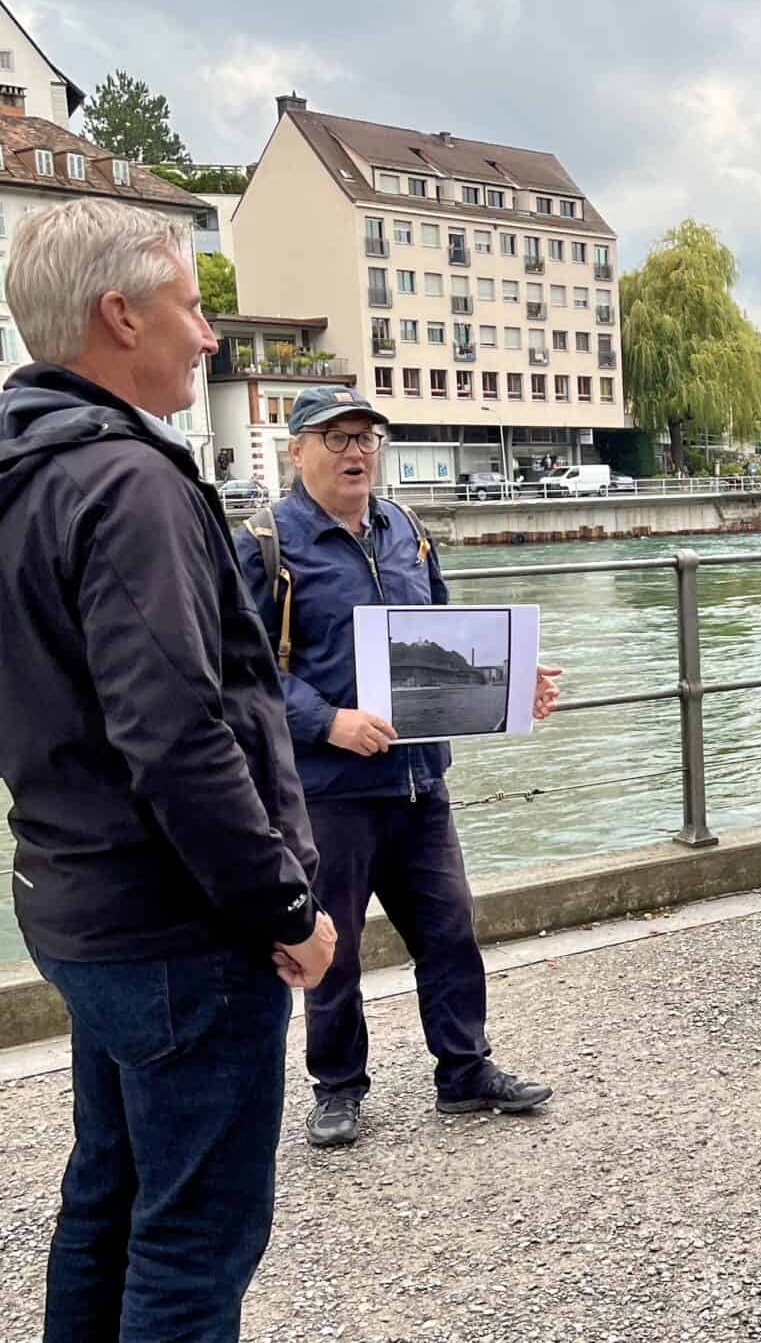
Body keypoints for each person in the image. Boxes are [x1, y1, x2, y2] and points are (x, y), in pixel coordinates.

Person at [0, 199, 336, 1338]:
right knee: (193, 1240)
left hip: (77, 901)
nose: (207, 335)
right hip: (179, 929)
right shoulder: (129, 483)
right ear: (119, 316)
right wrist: (285, 907)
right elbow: (181, 737)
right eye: (191, 309)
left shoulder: (22, 472)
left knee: (108, 1196)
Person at [236, 386, 560, 1149]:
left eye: (366, 437)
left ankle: (464, 1069)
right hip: (328, 789)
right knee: (335, 944)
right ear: (296, 449)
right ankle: (338, 1087)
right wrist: (330, 721)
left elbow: (443, 633)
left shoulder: (406, 530)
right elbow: (241, 670)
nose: (355, 451)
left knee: (450, 929)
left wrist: (513, 679)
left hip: (419, 780)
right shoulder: (264, 545)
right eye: (337, 437)